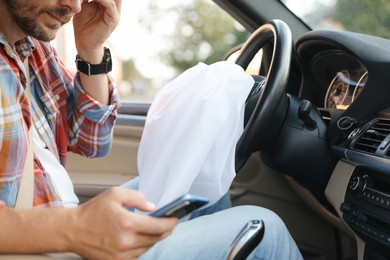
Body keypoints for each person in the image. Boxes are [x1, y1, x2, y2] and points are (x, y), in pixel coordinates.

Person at [0, 0, 303, 259]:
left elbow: (92, 140)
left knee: (197, 179)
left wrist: (91, 48)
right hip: (40, 246)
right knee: (265, 229)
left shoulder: (32, 48)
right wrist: (75, 228)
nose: (76, 6)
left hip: (53, 225)